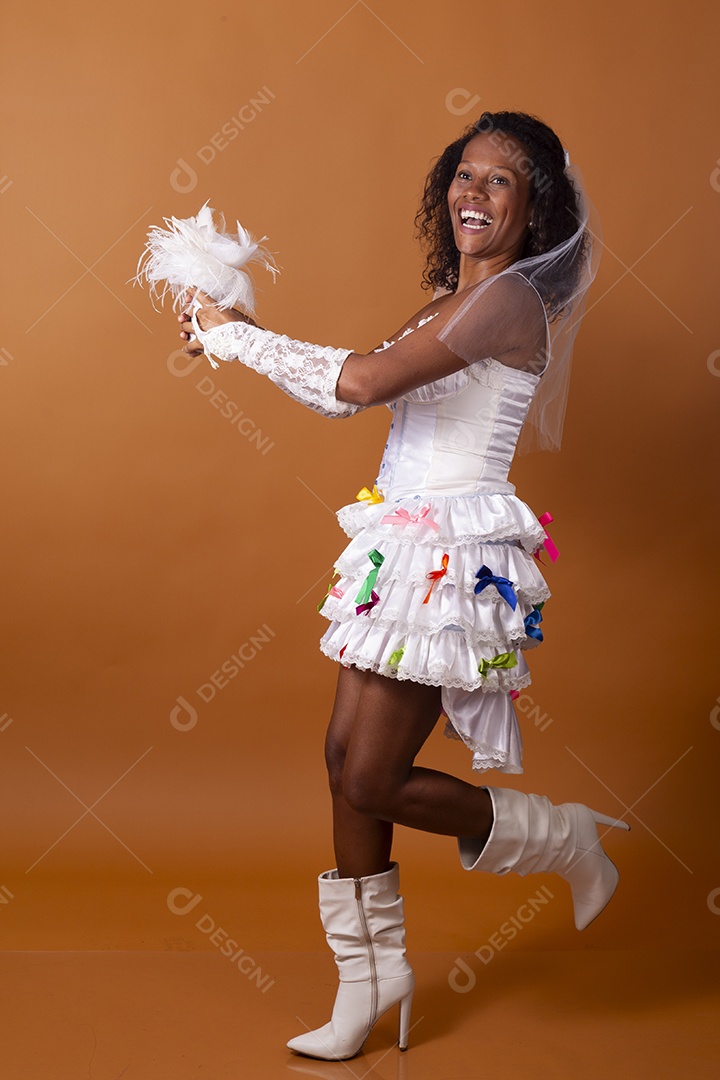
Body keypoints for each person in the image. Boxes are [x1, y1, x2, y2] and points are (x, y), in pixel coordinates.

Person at [177, 110, 629, 1063]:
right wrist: (241, 333)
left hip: (453, 557)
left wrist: (234, 341)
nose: (473, 194)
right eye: (464, 176)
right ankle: (370, 981)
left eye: (499, 181)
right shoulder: (443, 303)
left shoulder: (508, 303)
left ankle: (564, 837)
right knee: (346, 764)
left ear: (535, 209)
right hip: (400, 544)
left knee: (375, 775)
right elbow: (342, 391)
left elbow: (363, 383)